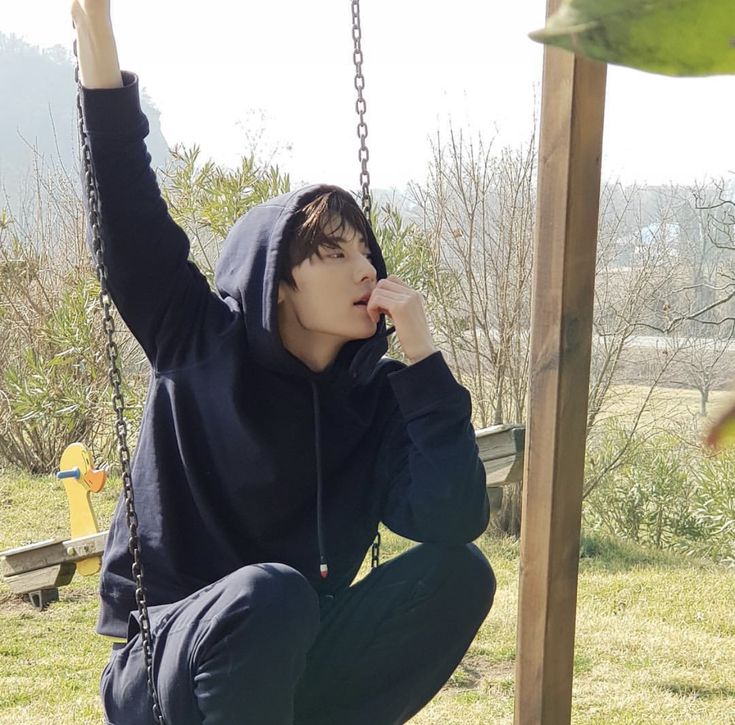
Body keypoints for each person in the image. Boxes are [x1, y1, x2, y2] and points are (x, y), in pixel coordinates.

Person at [72, 2, 496, 723]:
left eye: (365, 248)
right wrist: (95, 25)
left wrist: (423, 363)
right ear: (277, 280)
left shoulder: (381, 396)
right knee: (271, 593)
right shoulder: (196, 338)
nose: (363, 266)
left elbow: (453, 516)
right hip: (166, 661)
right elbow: (122, 192)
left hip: (289, 662)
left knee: (460, 573)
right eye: (333, 251)